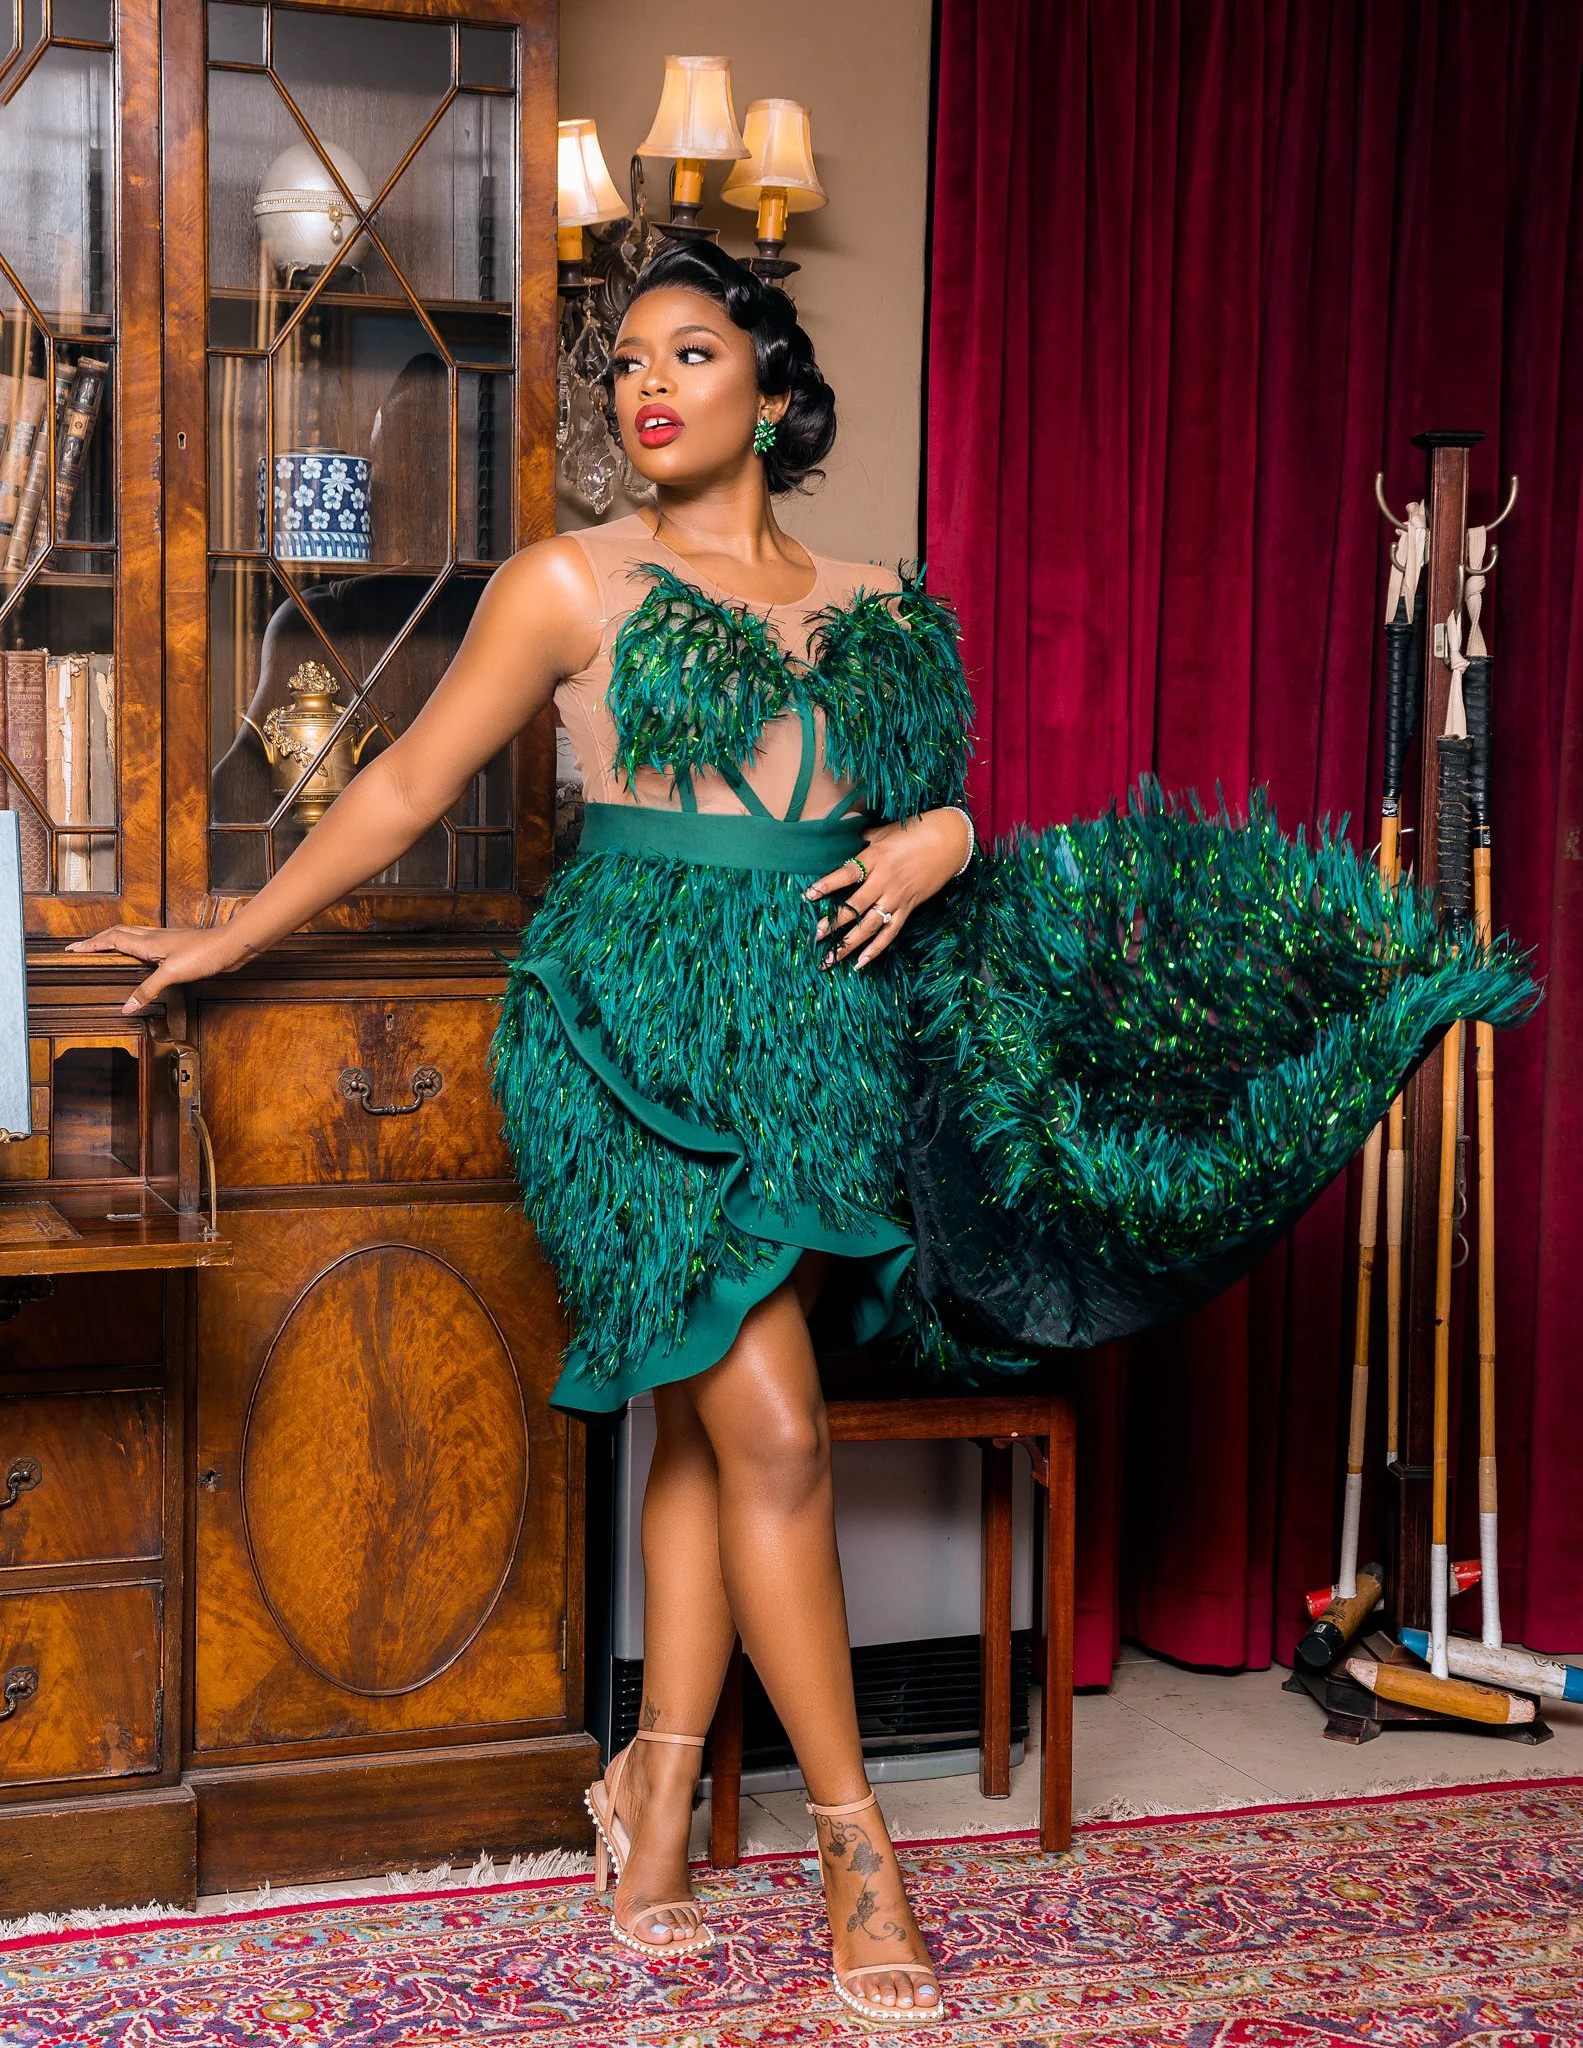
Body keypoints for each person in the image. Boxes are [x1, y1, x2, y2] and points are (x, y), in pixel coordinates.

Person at [71, 239, 1532, 2027]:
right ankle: (860, 1849)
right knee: (768, 1428)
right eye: (623, 364)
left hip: (818, 1046)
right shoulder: (566, 583)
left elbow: (913, 810)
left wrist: (949, 836)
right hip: (617, 1035)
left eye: (690, 352)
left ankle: (657, 1800)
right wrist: (225, 938)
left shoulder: (875, 594)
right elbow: (398, 779)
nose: (644, 387)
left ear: (773, 382)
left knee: (715, 1419)